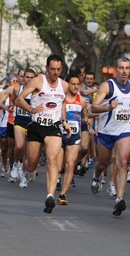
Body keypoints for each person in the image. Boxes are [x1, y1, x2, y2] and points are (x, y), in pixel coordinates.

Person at [15, 55, 71, 214]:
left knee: (52, 159)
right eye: (52, 69)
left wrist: (64, 121)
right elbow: (19, 99)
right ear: (47, 68)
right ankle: (25, 168)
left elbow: (63, 103)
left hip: (53, 127)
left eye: (58, 70)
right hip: (35, 126)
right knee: (32, 164)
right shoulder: (38, 81)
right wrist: (32, 109)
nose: (55, 72)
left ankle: (50, 196)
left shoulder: (64, 85)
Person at [90, 57, 130, 216]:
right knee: (102, 163)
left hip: (124, 130)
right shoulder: (107, 86)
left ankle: (119, 199)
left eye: (127, 68)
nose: (124, 71)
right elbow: (94, 107)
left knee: (123, 162)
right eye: (121, 68)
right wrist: (109, 106)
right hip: (106, 131)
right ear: (116, 70)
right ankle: (96, 177)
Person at [56, 73, 88, 205]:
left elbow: (84, 116)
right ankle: (56, 180)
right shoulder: (61, 98)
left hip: (74, 136)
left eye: (77, 84)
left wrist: (86, 119)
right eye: (72, 84)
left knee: (70, 165)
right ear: (67, 84)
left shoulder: (82, 101)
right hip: (58, 135)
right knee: (58, 167)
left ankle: (62, 194)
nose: (75, 86)